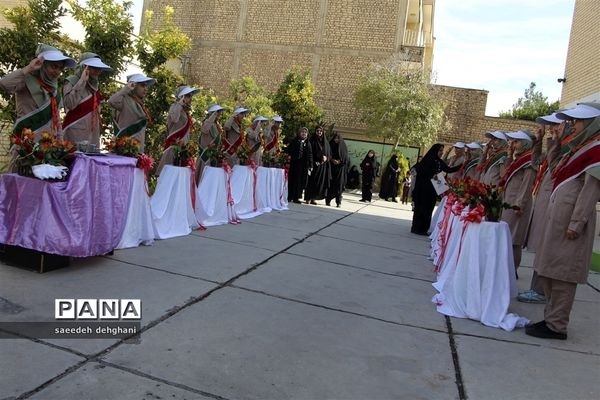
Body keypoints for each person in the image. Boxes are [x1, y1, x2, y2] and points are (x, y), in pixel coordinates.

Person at [526, 103, 600, 340]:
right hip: (558, 221)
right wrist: (556, 143)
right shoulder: (580, 147)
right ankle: (550, 318)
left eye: (577, 122)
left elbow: (590, 191)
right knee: (551, 271)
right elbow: (554, 168)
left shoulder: (596, 151)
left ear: (592, 124)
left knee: (563, 276)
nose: (573, 125)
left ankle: (557, 326)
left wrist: (576, 223)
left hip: (571, 224)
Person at [518, 113, 565, 303]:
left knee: (545, 249)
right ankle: (536, 289)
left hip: (551, 206)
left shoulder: (563, 149)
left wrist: (556, 142)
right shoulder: (554, 148)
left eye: (555, 126)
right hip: (543, 203)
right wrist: (539, 141)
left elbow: (555, 169)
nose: (552, 130)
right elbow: (536, 161)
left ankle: (540, 291)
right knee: (540, 248)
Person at [0, 44, 75, 139]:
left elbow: (56, 120)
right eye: (54, 66)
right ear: (42, 65)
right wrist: (28, 68)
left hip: (47, 146)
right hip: (25, 144)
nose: (57, 71)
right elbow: (3, 84)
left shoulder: (54, 89)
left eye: (60, 68)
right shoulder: (26, 80)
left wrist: (59, 142)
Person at [500, 131, 536, 276]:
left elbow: (527, 184)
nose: (513, 145)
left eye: (517, 142)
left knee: (515, 239)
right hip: (509, 201)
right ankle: (504, 267)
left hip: (518, 204)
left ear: (525, 143)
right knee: (507, 236)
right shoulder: (518, 158)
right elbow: (506, 173)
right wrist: (509, 155)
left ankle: (512, 269)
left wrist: (519, 204)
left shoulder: (529, 159)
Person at [62, 53, 112, 148]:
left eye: (99, 68)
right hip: (75, 132)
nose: (97, 71)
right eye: (94, 68)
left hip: (93, 133)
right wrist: (82, 81)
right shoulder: (71, 81)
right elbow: (70, 104)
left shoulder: (94, 86)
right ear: (84, 67)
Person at [410, 144, 461, 235]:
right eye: (440, 151)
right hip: (423, 189)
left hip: (433, 189)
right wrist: (431, 175)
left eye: (442, 151)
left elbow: (448, 169)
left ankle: (424, 229)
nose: (441, 153)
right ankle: (417, 228)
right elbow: (421, 171)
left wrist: (462, 165)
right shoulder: (428, 160)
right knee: (421, 208)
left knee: (429, 208)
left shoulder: (439, 161)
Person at [156, 85, 199, 175]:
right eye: (188, 96)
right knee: (169, 173)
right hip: (173, 146)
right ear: (182, 97)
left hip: (183, 147)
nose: (191, 98)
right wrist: (180, 103)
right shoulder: (175, 106)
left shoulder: (185, 111)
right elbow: (175, 119)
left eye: (191, 96)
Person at [108, 73, 155, 153]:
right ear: (134, 86)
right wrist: (127, 88)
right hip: (124, 148)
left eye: (146, 86)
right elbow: (112, 101)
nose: (146, 89)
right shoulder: (124, 99)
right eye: (143, 86)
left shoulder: (140, 103)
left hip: (137, 148)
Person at [195, 104, 225, 184]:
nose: (219, 114)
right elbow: (205, 129)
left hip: (213, 155)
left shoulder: (216, 124)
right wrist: (213, 115)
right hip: (205, 156)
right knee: (203, 178)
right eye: (217, 112)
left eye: (219, 112)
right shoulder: (207, 122)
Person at [304, 125, 331, 204]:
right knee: (311, 182)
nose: (319, 132)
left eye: (320, 131)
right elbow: (309, 152)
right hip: (313, 164)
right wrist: (317, 158)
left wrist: (326, 158)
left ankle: (314, 198)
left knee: (318, 183)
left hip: (322, 166)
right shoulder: (312, 140)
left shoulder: (325, 142)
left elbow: (329, 153)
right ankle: (308, 198)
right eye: (317, 131)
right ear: (315, 132)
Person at [286, 127, 313, 203]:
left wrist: (310, 166)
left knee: (300, 182)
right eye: (302, 132)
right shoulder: (294, 141)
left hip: (303, 166)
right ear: (299, 133)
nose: (304, 134)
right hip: (294, 164)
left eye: (305, 132)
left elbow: (310, 155)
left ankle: (296, 197)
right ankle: (290, 196)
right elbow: (289, 151)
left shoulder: (308, 144)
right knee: (292, 180)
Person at [326, 132, 349, 207]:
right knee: (330, 185)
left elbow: (346, 159)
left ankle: (338, 202)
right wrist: (332, 160)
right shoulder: (330, 145)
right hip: (331, 169)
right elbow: (327, 154)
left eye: (338, 138)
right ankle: (328, 200)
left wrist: (339, 161)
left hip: (340, 170)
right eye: (335, 138)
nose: (336, 140)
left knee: (339, 186)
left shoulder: (343, 147)